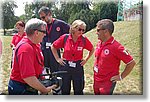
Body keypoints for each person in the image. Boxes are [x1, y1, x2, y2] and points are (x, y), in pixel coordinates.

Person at [8, 18, 56, 95]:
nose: (45, 34)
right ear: (36, 32)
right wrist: (44, 89)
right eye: (44, 32)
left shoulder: (35, 44)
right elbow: (28, 77)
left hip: (30, 86)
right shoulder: (26, 48)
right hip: (22, 89)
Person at [51, 20, 94, 95]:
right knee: (65, 90)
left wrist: (86, 59)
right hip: (65, 65)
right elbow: (53, 46)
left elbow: (92, 49)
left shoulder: (83, 39)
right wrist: (58, 59)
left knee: (78, 90)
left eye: (83, 30)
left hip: (78, 66)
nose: (81, 32)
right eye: (79, 29)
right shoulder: (65, 38)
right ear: (73, 28)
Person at [93, 19, 136, 95]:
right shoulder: (99, 43)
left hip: (107, 83)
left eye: (98, 30)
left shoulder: (116, 47)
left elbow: (131, 63)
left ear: (106, 31)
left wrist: (121, 76)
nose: (96, 33)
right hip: (96, 79)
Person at [38, 6, 70, 73]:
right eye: (41, 18)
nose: (42, 20)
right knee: (44, 72)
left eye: (43, 17)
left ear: (49, 14)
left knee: (55, 73)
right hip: (44, 52)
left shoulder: (59, 24)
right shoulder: (41, 26)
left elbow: (71, 32)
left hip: (54, 53)